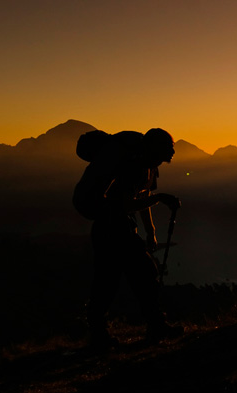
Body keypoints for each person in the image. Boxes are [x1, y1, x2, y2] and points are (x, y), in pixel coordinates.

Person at [73, 127, 181, 349]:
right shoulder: (133, 165)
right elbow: (125, 204)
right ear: (155, 148)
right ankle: (154, 327)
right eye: (168, 148)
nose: (172, 153)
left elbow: (141, 196)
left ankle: (101, 335)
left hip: (111, 224)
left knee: (110, 280)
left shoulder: (146, 165)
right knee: (138, 274)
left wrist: (150, 231)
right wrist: (160, 199)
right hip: (111, 225)